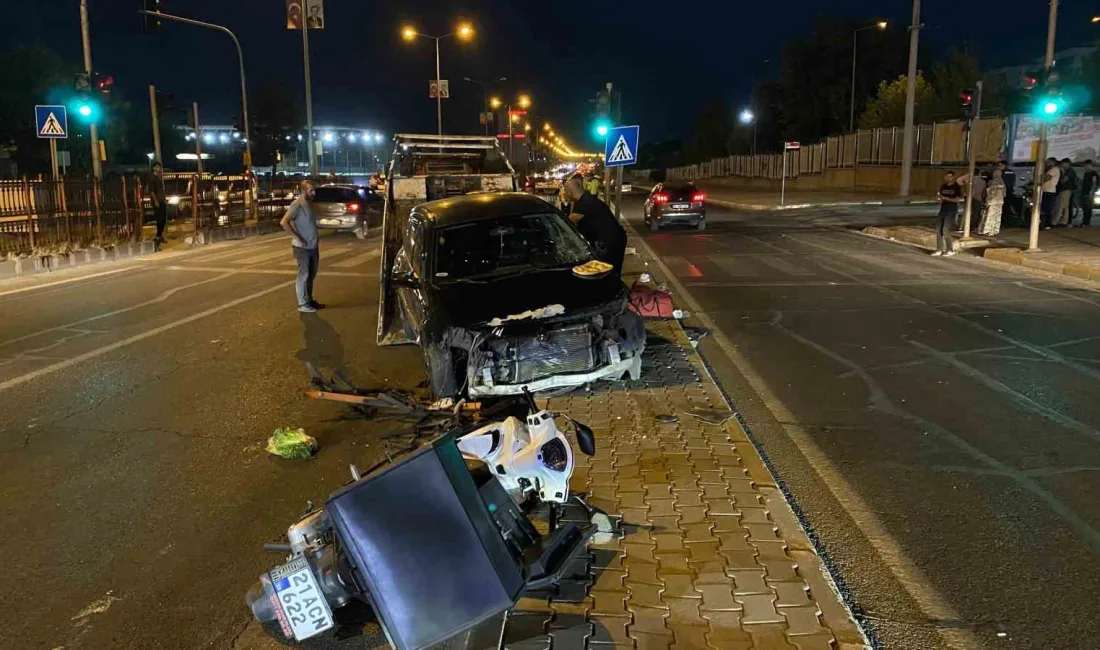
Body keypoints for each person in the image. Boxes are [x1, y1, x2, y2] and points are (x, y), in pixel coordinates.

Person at [562, 176, 627, 273]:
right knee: (610, 271)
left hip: (610, 242)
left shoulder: (585, 203)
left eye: (566, 191)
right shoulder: (586, 198)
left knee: (605, 272)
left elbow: (567, 224)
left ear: (569, 191)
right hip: (613, 239)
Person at [280, 180, 324, 313]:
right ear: (304, 190)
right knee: (303, 275)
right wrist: (297, 237)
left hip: (312, 246)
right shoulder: (297, 205)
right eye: (311, 190)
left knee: (311, 274)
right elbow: (284, 222)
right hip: (302, 248)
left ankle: (309, 299)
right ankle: (303, 303)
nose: (314, 192)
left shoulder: (309, 204)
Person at [933, 171, 963, 257]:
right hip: (943, 210)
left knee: (945, 230)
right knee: (938, 230)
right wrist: (939, 199)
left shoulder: (956, 187)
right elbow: (941, 199)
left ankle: (950, 249)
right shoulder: (943, 186)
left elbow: (957, 199)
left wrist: (945, 198)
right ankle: (939, 249)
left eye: (951, 176)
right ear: (945, 177)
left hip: (951, 210)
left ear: (953, 177)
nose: (949, 178)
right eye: (947, 176)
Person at [978, 166, 1005, 237]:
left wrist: (987, 201)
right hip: (1000, 202)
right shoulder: (1003, 183)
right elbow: (1004, 194)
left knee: (989, 216)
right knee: (997, 217)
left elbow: (991, 193)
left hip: (992, 202)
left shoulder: (992, 182)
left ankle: (987, 230)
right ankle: (994, 231)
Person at [957, 168, 986, 232]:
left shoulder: (968, 180)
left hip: (968, 197)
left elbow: (958, 181)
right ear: (979, 173)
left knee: (967, 211)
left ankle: (963, 225)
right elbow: (983, 192)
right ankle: (973, 226)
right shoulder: (983, 181)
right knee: (976, 213)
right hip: (978, 198)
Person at [146, 162, 167, 243]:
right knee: (160, 219)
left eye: (160, 167)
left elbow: (161, 190)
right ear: (154, 168)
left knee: (163, 219)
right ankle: (158, 236)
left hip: (161, 201)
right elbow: (151, 191)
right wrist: (156, 201)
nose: (159, 169)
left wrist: (164, 199)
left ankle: (159, 235)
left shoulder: (158, 178)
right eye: (157, 167)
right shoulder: (152, 178)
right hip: (157, 202)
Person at [1054, 158, 1076, 227]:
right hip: (1065, 190)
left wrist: (1060, 174)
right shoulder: (1068, 171)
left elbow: (1063, 180)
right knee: (1065, 206)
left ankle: (1056, 221)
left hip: (1066, 190)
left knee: (1062, 206)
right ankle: (1063, 221)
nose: (1061, 165)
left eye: (1062, 163)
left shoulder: (1070, 171)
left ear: (1067, 163)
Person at [1040, 157, 1060, 230]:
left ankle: (1047, 224)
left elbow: (1048, 178)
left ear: (1053, 162)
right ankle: (1044, 224)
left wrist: (1039, 182)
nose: (1047, 163)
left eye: (1048, 162)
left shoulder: (1054, 169)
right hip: (1045, 190)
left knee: (1047, 209)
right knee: (1044, 208)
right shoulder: (1049, 169)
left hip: (1050, 191)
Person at [1080, 160, 1098, 227]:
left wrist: (1091, 192)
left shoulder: (1093, 173)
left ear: (1090, 165)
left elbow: (1094, 183)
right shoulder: (1086, 173)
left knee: (1088, 208)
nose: (1085, 167)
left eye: (1086, 165)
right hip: (1084, 192)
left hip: (1089, 193)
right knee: (1085, 208)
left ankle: (1086, 222)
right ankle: (1084, 222)